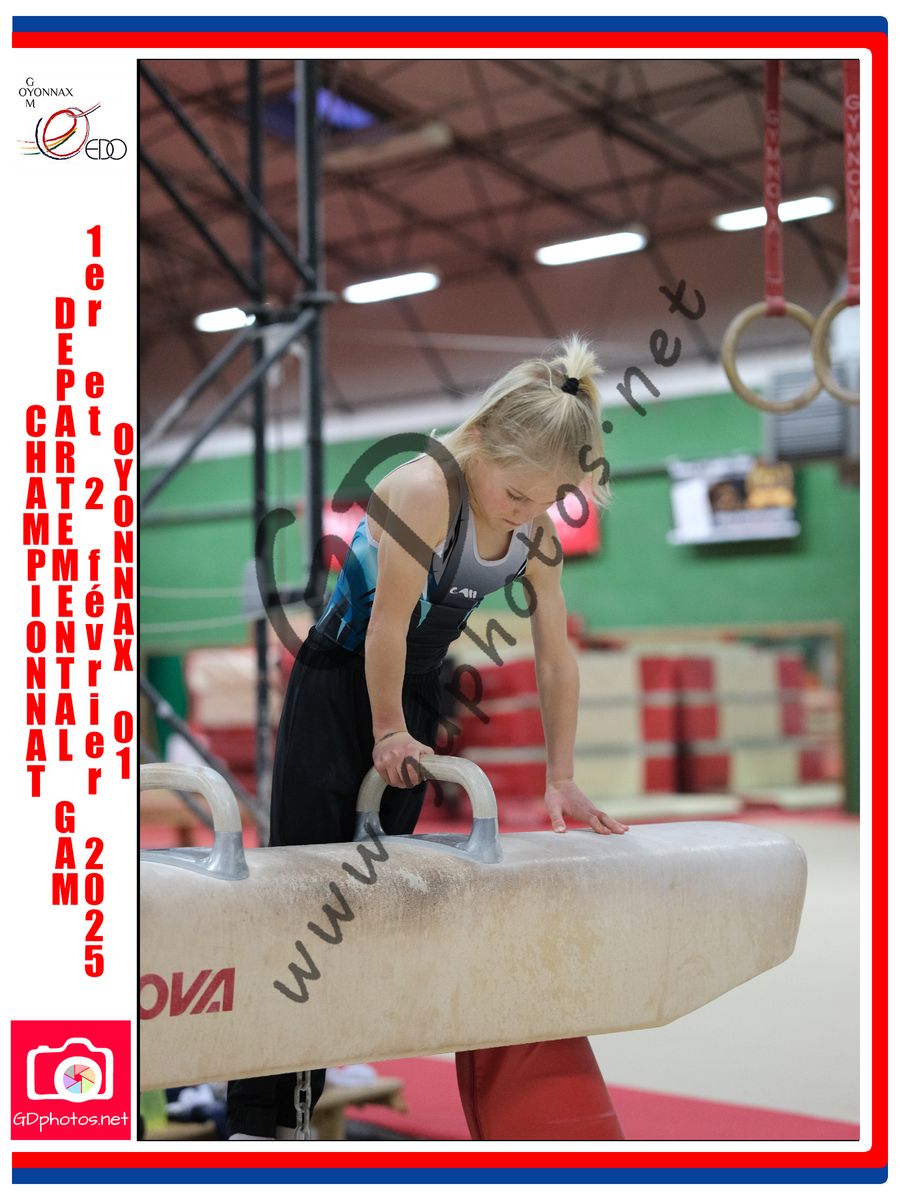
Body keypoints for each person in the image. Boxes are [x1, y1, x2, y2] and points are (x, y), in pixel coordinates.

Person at [226, 334, 629, 1140]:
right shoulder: (423, 487)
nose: (524, 513)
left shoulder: (535, 530)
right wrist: (388, 731)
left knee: (369, 893)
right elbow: (382, 626)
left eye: (544, 501)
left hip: (415, 684)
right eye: (516, 494)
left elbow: (555, 656)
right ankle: (259, 1118)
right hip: (339, 681)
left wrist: (560, 775)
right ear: (481, 441)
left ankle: (319, 1072)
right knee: (301, 893)